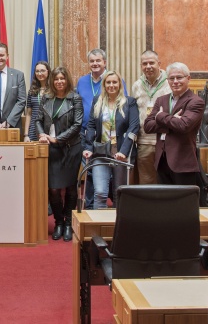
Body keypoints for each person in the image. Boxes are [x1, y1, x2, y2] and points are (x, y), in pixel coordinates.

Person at [75, 49, 127, 208]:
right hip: (88, 134)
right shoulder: (82, 81)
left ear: (105, 62)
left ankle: (109, 206)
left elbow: (123, 106)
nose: (95, 64)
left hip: (111, 137)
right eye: (92, 61)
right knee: (90, 172)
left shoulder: (114, 80)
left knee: (109, 176)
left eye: (98, 61)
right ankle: (90, 207)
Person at [36, 66, 83, 241]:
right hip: (51, 149)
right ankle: (58, 222)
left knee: (70, 188)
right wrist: (42, 134)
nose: (59, 82)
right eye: (56, 79)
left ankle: (69, 223)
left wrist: (58, 139)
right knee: (54, 189)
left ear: (67, 80)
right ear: (52, 81)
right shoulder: (46, 98)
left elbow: (77, 125)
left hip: (70, 148)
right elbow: (38, 119)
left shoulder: (75, 99)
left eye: (62, 78)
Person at [82, 71, 139, 209]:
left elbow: (134, 127)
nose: (111, 85)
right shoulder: (97, 100)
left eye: (115, 82)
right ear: (104, 84)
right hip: (100, 151)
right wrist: (88, 148)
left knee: (119, 193)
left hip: (120, 152)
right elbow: (90, 126)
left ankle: (119, 227)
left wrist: (124, 152)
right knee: (100, 192)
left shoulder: (129, 102)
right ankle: (98, 227)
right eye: (108, 82)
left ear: (120, 84)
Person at [143, 62, 205, 186]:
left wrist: (160, 116)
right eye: (171, 78)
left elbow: (183, 126)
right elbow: (148, 126)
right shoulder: (161, 100)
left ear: (188, 78)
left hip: (182, 161)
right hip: (161, 160)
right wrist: (172, 121)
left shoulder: (195, 101)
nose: (175, 81)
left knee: (182, 203)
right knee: (164, 202)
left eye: (179, 77)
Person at [129, 50, 171, 185]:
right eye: (144, 63)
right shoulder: (137, 85)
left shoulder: (170, 83)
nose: (148, 66)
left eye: (151, 63)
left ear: (159, 64)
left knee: (166, 180)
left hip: (166, 140)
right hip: (144, 141)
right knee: (146, 181)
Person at [25, 61, 50, 142]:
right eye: (37, 71)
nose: (40, 73)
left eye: (42, 70)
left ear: (48, 71)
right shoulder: (32, 91)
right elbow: (28, 114)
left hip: (48, 130)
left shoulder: (53, 91)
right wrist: (26, 135)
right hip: (33, 131)